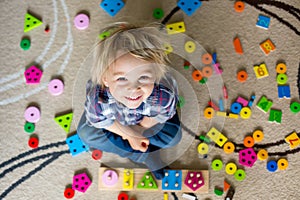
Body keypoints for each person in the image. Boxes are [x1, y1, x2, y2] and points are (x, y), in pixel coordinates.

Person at [77, 23, 182, 179]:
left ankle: (139, 143)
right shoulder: (99, 98)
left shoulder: (161, 94)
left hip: (147, 122)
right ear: (105, 79)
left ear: (155, 75)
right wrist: (130, 135)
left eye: (143, 77)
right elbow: (100, 121)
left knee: (174, 137)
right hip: (114, 123)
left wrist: (139, 131)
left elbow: (162, 113)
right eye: (121, 78)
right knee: (86, 133)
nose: (133, 88)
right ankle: (144, 156)